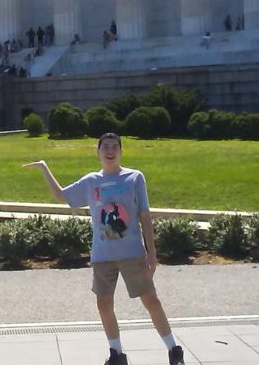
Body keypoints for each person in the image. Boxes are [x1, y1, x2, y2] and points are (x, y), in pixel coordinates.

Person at [23, 133, 185, 365]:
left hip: (132, 253)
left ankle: (174, 350)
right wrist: (44, 167)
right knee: (103, 304)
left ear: (121, 151)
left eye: (114, 147)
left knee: (151, 300)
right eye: (105, 147)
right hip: (102, 255)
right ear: (98, 151)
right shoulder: (91, 181)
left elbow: (145, 216)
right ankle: (116, 354)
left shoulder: (134, 177)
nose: (110, 151)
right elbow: (61, 196)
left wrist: (152, 252)